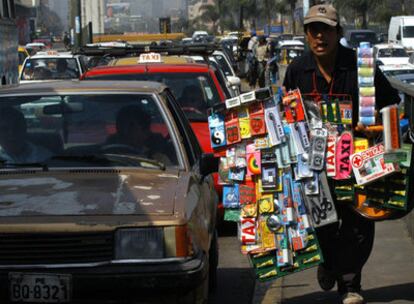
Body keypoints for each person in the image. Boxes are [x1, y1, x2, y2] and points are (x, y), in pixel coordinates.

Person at [283, 4, 400, 304]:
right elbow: (284, 115)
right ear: (307, 35)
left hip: (357, 163)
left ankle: (350, 285)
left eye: (326, 29)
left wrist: (374, 123)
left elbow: (391, 105)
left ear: (338, 33)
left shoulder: (361, 66)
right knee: (321, 224)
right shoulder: (297, 70)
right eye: (313, 29)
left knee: (360, 225)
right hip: (314, 167)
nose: (319, 35)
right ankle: (330, 264)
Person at [103, 105, 174, 165]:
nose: (126, 129)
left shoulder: (158, 160)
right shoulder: (100, 157)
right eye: (123, 124)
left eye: (131, 125)